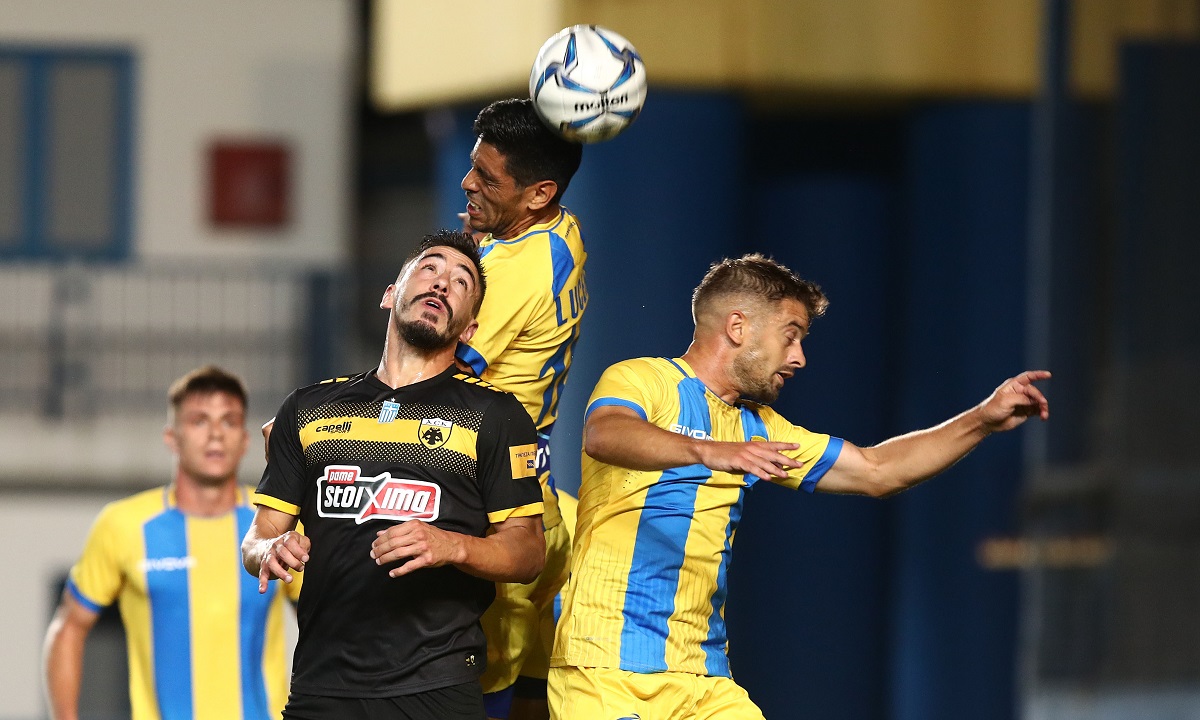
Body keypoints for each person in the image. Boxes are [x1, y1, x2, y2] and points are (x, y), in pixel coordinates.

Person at [547, 253, 1052, 720]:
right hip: (605, 666)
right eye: (791, 336)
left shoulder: (760, 426)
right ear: (738, 327)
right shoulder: (643, 380)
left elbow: (876, 470)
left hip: (702, 678)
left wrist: (982, 419)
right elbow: (605, 435)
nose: (800, 357)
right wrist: (711, 451)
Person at [242, 229, 546, 720]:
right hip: (322, 686)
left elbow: (529, 551)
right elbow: (257, 538)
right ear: (390, 295)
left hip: (436, 688)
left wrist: (452, 546)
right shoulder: (307, 408)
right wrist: (270, 549)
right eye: (430, 268)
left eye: (461, 282)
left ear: (469, 329)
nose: (442, 283)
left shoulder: (495, 415)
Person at [43, 365, 298, 720]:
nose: (215, 435)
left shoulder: (279, 523)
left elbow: (329, 623)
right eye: (199, 421)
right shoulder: (125, 525)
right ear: (172, 438)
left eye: (228, 421)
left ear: (244, 439)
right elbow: (69, 626)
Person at [456, 97, 585, 720]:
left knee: (477, 695)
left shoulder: (514, 270)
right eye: (472, 166)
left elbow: (434, 373)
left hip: (497, 516)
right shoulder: (564, 233)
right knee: (534, 696)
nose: (467, 183)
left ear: (538, 193)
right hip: (541, 499)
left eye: (487, 179)